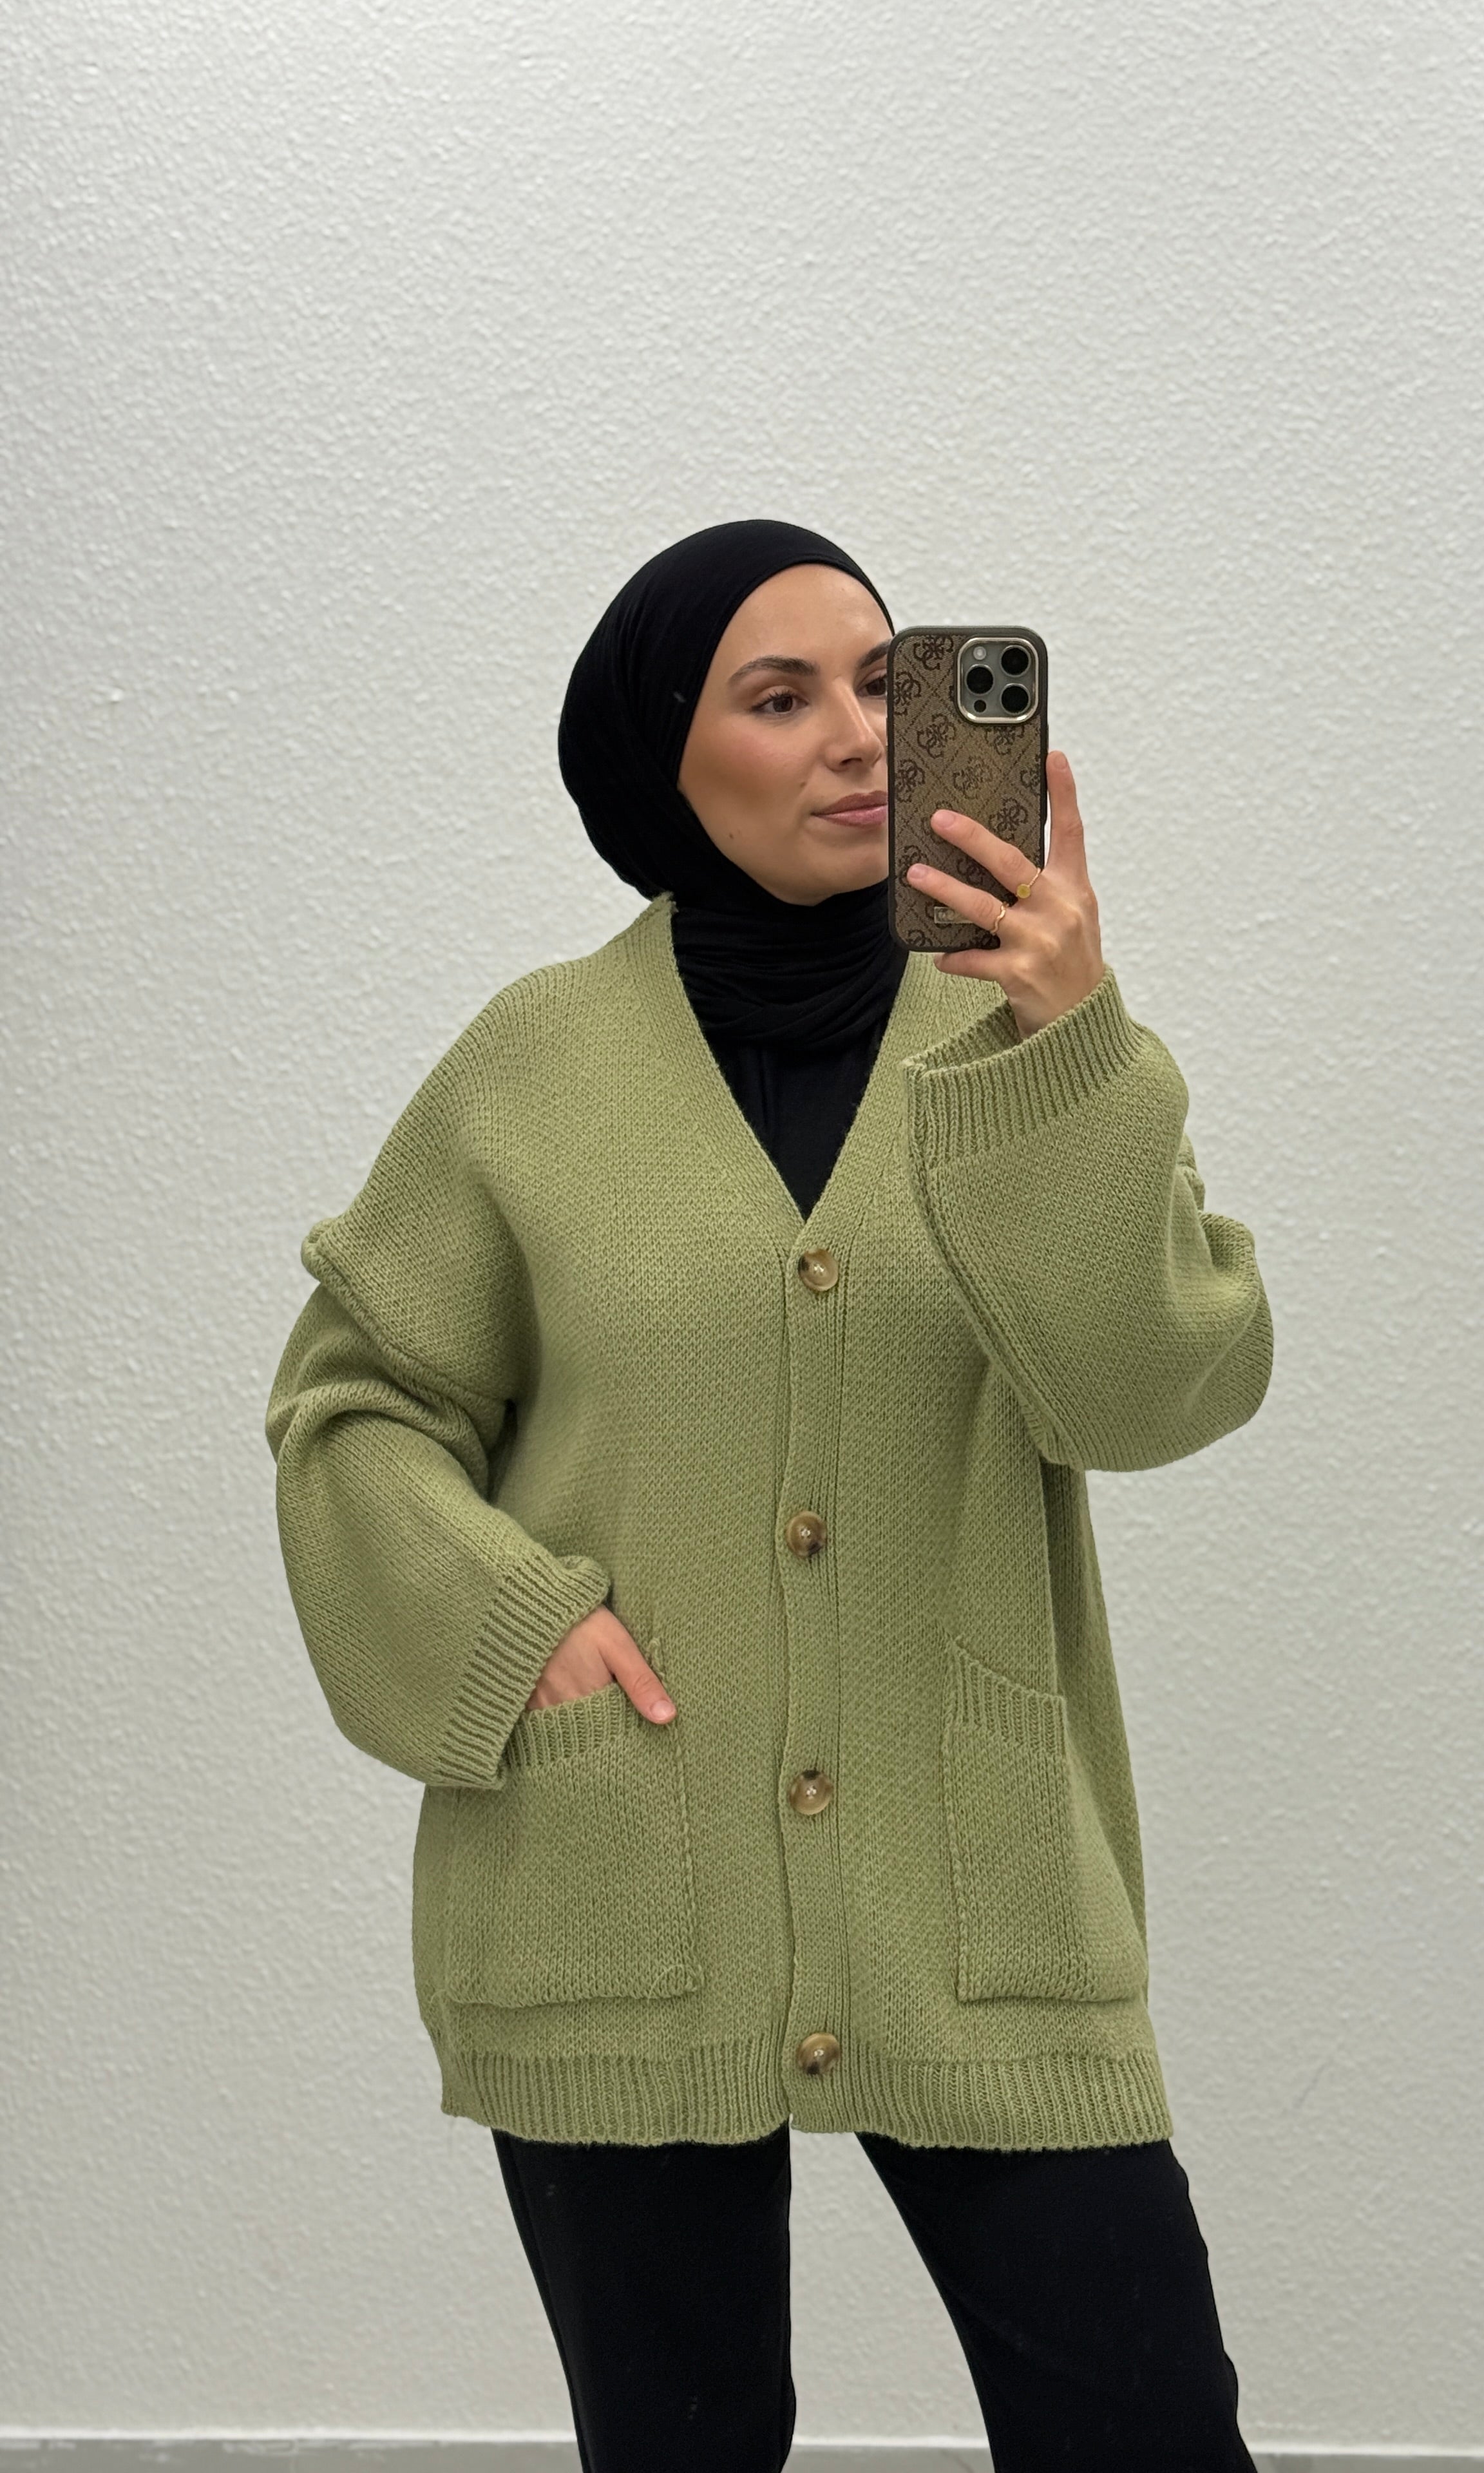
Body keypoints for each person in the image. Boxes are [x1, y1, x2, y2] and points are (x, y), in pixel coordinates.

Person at [265, 518, 1275, 2472]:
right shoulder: (535, 1066)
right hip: (620, 1883)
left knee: (1145, 2428)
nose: (861, 735)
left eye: (888, 683)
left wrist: (1069, 1045)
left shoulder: (1024, 1037)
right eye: (779, 695)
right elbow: (356, 1401)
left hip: (979, 1893)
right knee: (681, 2445)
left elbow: (1152, 1393)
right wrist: (516, 1625)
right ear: (666, 757)